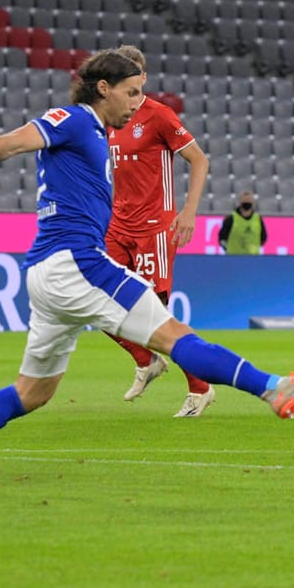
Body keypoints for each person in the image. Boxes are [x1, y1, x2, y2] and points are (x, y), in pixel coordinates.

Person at [0, 49, 294, 490]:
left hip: (46, 272)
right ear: (104, 89)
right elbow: (17, 141)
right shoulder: (75, 119)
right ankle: (273, 388)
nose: (137, 102)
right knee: (175, 336)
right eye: (130, 92)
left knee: (32, 392)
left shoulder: (95, 131)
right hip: (78, 263)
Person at [103, 45, 215, 417]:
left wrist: (188, 212)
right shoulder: (109, 118)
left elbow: (199, 159)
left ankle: (200, 387)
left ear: (143, 77)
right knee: (91, 297)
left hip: (155, 228)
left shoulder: (159, 116)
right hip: (117, 225)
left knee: (154, 317)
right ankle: (144, 360)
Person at [219, 190, 267, 254]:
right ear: (240, 202)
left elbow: (263, 239)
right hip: (234, 259)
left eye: (249, 200)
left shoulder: (258, 219)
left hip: (253, 260)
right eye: (244, 200)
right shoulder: (230, 219)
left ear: (253, 202)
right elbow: (222, 239)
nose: (247, 202)